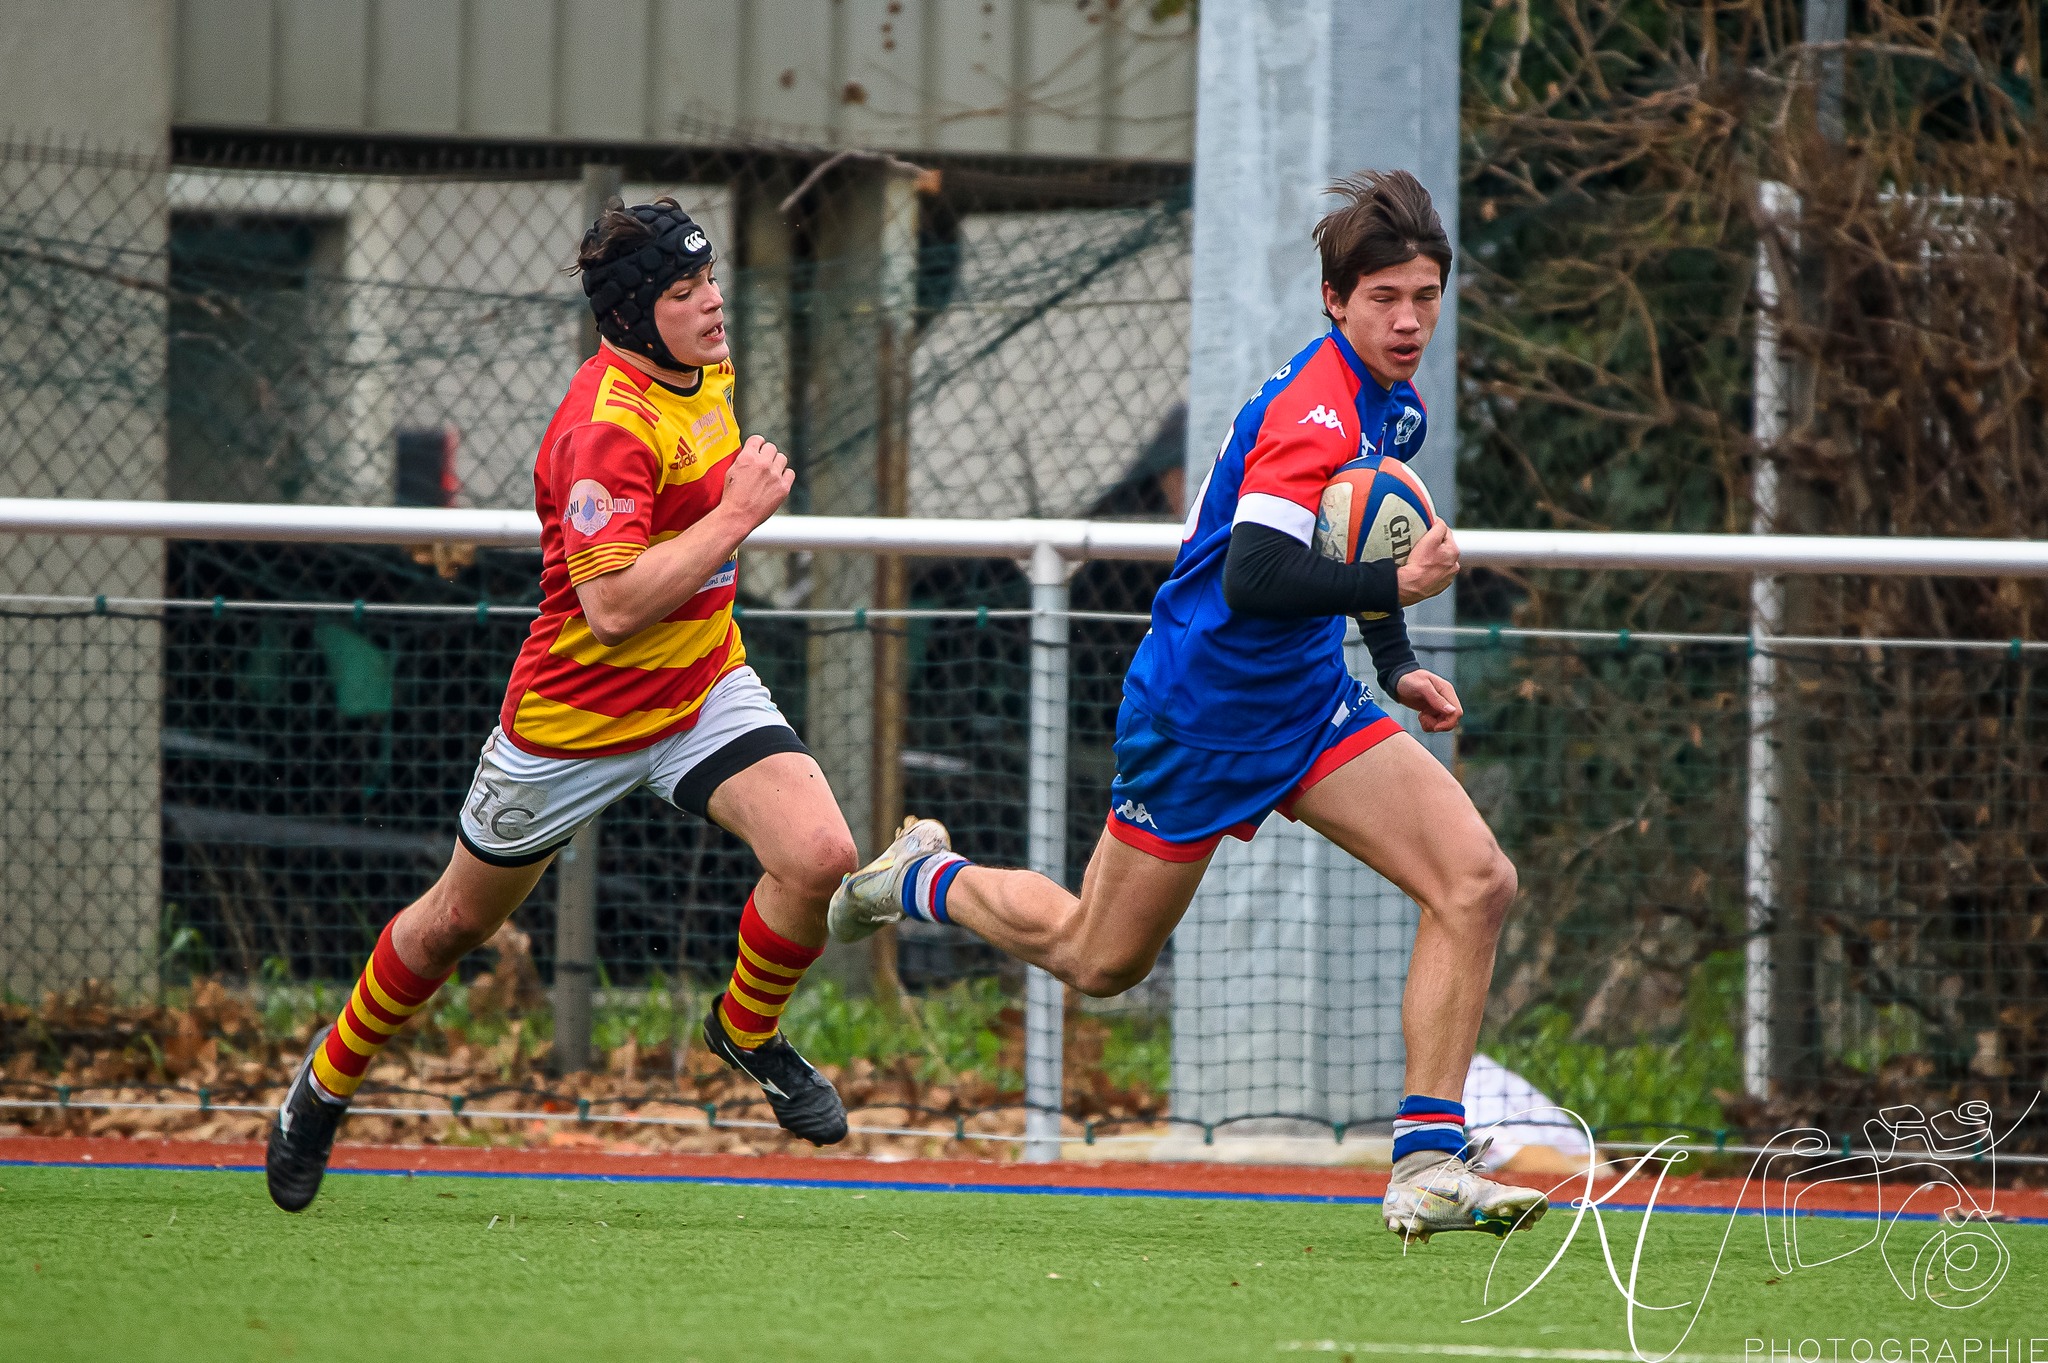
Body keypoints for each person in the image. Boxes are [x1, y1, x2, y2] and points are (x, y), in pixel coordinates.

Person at [831, 170, 1546, 1243]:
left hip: (1305, 703)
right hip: (1199, 713)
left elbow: (1354, 540)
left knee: (1476, 880)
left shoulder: (1391, 403)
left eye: (1425, 297)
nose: (1408, 320)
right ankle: (922, 874)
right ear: (1334, 300)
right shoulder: (1311, 411)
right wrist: (1393, 592)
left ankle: (1427, 1163)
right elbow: (1257, 574)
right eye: (1384, 298)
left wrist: (1394, 660)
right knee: (1099, 958)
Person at [266, 199, 859, 1213]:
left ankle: (746, 1031)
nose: (713, 304)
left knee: (820, 856)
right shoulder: (603, 429)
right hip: (575, 721)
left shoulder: (705, 369)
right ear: (631, 317)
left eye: (710, 281)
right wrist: (735, 516)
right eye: (685, 292)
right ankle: (323, 1085)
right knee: (452, 926)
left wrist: (721, 523)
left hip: (701, 687)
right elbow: (614, 608)